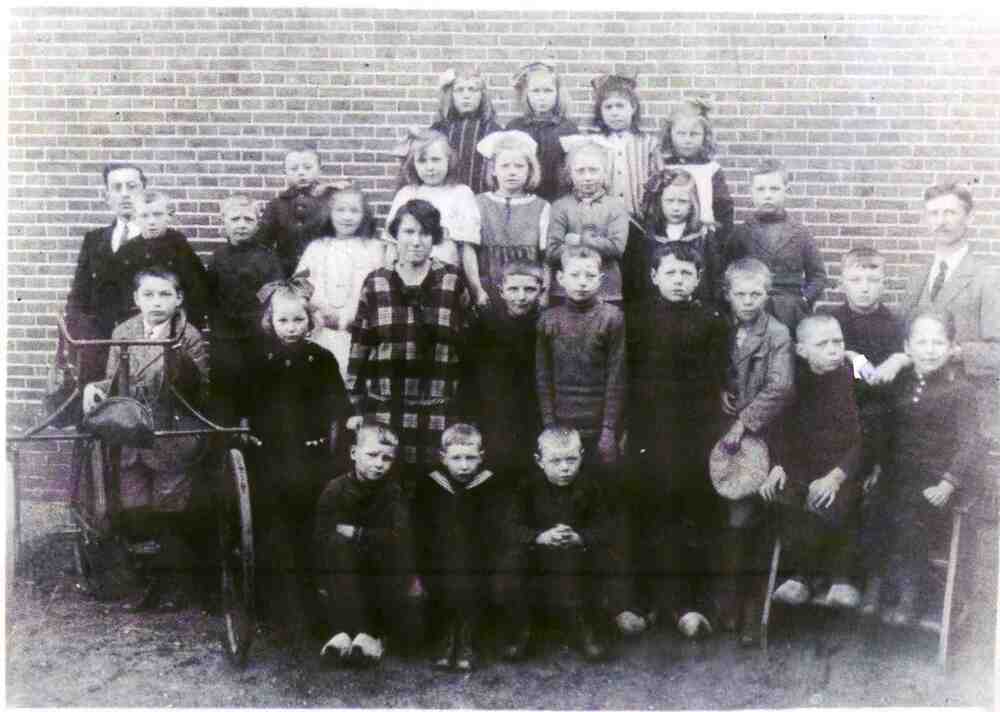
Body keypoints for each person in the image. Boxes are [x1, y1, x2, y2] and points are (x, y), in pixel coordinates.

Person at [82, 267, 209, 611]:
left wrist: (180, 365)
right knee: (135, 507)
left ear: (178, 299)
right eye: (149, 295)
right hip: (132, 437)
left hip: (171, 436)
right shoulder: (123, 332)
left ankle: (174, 585)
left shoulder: (188, 335)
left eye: (165, 295)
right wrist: (95, 389)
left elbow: (198, 390)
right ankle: (146, 581)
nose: (157, 302)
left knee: (170, 509)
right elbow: (114, 381)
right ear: (136, 299)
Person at [625, 242, 729, 637]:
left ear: (699, 279)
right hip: (649, 430)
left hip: (694, 432)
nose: (678, 280)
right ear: (654, 276)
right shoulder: (636, 319)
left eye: (687, 273)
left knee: (691, 513)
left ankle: (688, 604)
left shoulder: (712, 321)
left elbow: (718, 377)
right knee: (648, 511)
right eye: (670, 272)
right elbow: (627, 375)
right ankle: (645, 602)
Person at [243, 275, 352, 650]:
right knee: (276, 532)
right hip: (271, 458)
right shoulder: (259, 363)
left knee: (310, 528)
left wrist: (350, 420)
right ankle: (277, 612)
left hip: (311, 458)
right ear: (270, 322)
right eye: (283, 320)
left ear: (310, 321)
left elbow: (339, 404)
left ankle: (312, 607)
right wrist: (245, 430)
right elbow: (244, 406)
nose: (291, 328)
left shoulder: (321, 360)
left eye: (298, 320)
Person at [346, 199, 472, 488]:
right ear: (395, 235)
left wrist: (465, 403)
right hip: (385, 409)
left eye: (425, 233)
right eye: (409, 232)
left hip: (437, 408)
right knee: (388, 485)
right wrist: (354, 405)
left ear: (435, 237)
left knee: (434, 487)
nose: (416, 241)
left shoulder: (452, 280)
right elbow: (360, 347)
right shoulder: (376, 282)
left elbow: (467, 346)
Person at [875, 310, 986, 626]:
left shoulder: (961, 390)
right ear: (907, 347)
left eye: (938, 343)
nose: (930, 350)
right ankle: (877, 585)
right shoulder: (901, 383)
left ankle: (912, 594)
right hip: (902, 473)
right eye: (921, 342)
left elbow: (971, 444)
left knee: (911, 513)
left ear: (952, 347)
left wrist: (948, 483)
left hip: (939, 480)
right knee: (873, 505)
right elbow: (884, 428)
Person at [873, 182, 1000, 445]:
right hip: (916, 414)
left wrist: (953, 351)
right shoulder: (917, 277)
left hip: (966, 419)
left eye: (950, 213)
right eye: (934, 213)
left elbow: (996, 353)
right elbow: (905, 339)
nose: (941, 222)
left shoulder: (988, 277)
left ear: (969, 217)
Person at [759, 314, 863, 610]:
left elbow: (867, 438)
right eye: (823, 344)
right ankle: (802, 576)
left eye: (838, 342)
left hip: (845, 468)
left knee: (833, 498)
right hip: (804, 466)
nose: (833, 350)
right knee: (783, 494)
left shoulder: (855, 381)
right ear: (802, 350)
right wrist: (778, 465)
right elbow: (782, 430)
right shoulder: (795, 383)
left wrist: (836, 476)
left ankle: (841, 577)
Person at [717, 258, 795, 645]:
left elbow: (780, 387)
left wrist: (743, 422)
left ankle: (752, 609)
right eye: (740, 294)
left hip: (764, 436)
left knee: (752, 518)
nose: (748, 301)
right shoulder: (722, 328)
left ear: (767, 294)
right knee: (730, 517)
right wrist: (719, 390)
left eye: (756, 294)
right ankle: (727, 601)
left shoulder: (777, 334)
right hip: (724, 438)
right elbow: (715, 369)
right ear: (728, 295)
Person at [512, 426, 630, 661]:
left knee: (597, 560)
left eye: (571, 460)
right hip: (538, 555)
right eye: (555, 461)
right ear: (539, 461)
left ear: (581, 456)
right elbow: (511, 525)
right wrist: (539, 536)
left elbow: (607, 527)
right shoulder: (527, 487)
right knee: (513, 562)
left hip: (578, 555)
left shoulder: (592, 487)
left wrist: (580, 537)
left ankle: (583, 627)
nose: (565, 468)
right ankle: (522, 628)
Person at [829, 247, 905, 613]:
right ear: (842, 282)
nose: (864, 287)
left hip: (879, 419)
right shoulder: (833, 320)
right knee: (841, 484)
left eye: (873, 280)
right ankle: (827, 575)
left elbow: (910, 357)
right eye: (856, 279)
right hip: (839, 416)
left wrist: (898, 359)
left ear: (883, 283)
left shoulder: (894, 323)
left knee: (870, 491)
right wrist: (850, 355)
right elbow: (813, 348)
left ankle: (858, 578)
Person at [413, 423, 524, 671]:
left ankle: (466, 637)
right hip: (440, 561)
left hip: (480, 560)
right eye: (456, 458)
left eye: (470, 458)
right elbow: (420, 529)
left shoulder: (492, 485)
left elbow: (502, 530)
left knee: (467, 565)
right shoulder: (430, 485)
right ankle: (447, 635)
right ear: (443, 457)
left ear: (481, 457)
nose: (464, 466)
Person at [313, 424, 420, 666]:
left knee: (385, 556)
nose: (379, 464)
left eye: (386, 458)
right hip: (343, 567)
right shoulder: (335, 489)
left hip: (380, 568)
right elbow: (322, 536)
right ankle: (343, 631)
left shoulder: (393, 493)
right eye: (372, 455)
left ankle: (371, 633)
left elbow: (400, 537)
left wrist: (359, 533)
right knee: (337, 546)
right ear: (354, 453)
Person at [536, 246, 626, 483]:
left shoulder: (612, 317)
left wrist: (608, 430)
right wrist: (550, 426)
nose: (582, 282)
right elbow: (543, 377)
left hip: (599, 426)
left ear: (601, 279)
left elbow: (616, 377)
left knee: (599, 486)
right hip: (560, 424)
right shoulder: (549, 319)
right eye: (575, 275)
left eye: (590, 275)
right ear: (560, 278)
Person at [65, 162, 147, 387]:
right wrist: (82, 335)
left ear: (144, 192)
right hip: (98, 346)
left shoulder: (161, 240)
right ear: (107, 196)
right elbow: (77, 297)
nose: (125, 194)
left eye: (132, 186)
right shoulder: (93, 240)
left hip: (145, 347)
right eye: (117, 188)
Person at [205, 194, 284, 425]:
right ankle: (227, 438)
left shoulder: (268, 257)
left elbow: (276, 295)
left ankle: (256, 437)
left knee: (258, 391)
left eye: (248, 219)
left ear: (257, 224)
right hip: (225, 338)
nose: (241, 224)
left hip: (258, 337)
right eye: (235, 219)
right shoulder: (218, 257)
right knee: (226, 393)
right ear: (224, 223)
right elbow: (209, 295)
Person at [724, 159, 827, 334]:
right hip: (752, 310)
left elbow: (818, 276)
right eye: (761, 189)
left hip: (791, 311)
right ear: (751, 192)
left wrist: (803, 300)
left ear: (786, 191)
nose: (767, 195)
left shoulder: (801, 233)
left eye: (774, 189)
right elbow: (724, 275)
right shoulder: (740, 234)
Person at [465, 260, 545, 484]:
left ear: (541, 290)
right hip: (494, 412)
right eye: (513, 289)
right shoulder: (485, 323)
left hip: (533, 413)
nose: (521, 296)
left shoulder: (545, 324)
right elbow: (470, 372)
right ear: (501, 291)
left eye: (529, 289)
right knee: (495, 471)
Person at [387, 129, 488, 306]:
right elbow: (391, 245)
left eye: (436, 160)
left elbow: (467, 248)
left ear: (449, 160)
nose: (430, 167)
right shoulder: (406, 194)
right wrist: (388, 279)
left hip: (445, 280)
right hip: (406, 279)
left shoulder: (461, 194)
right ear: (413, 164)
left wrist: (476, 288)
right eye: (422, 161)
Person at [295, 186, 387, 377]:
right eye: (340, 210)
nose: (347, 217)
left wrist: (359, 318)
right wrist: (314, 311)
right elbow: (298, 286)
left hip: (361, 334)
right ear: (329, 213)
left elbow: (383, 289)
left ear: (364, 215)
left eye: (354, 211)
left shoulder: (375, 248)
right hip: (322, 332)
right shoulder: (317, 247)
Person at [108, 190, 209, 331]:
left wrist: (187, 325)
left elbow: (197, 291)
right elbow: (116, 295)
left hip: (175, 324)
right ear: (135, 218)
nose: (151, 222)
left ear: (168, 216)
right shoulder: (127, 252)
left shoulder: (179, 247)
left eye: (157, 215)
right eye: (144, 216)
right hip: (138, 325)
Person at [546, 135, 629, 305]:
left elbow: (616, 248)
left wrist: (579, 240)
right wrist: (599, 244)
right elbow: (553, 250)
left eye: (593, 170)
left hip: (607, 290)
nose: (587, 177)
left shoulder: (616, 207)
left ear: (605, 173)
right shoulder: (560, 206)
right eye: (580, 171)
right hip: (565, 291)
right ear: (569, 174)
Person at [474, 130, 551, 307]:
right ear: (493, 170)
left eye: (519, 166)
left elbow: (547, 257)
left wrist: (545, 292)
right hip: (488, 284)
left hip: (527, 288)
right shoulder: (479, 203)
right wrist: (477, 289)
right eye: (505, 166)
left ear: (530, 170)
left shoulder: (541, 206)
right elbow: (469, 251)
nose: (512, 172)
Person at [623, 167, 722, 306]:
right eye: (669, 201)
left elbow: (713, 276)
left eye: (682, 201)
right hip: (653, 306)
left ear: (692, 203)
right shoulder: (646, 234)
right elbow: (637, 277)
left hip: (694, 305)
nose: (675, 208)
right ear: (660, 201)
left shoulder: (703, 235)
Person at [590, 72, 657, 258]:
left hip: (639, 221)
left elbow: (658, 181)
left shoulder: (647, 143)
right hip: (605, 223)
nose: (614, 112)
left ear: (633, 108)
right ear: (600, 112)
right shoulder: (594, 143)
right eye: (608, 107)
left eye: (620, 106)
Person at [656, 97, 734, 244]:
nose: (687, 140)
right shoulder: (662, 168)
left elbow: (724, 209)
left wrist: (719, 239)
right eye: (681, 133)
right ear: (670, 134)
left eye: (694, 134)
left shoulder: (711, 169)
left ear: (705, 136)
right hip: (665, 239)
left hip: (704, 241)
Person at [257, 146, 344, 275]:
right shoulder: (277, 205)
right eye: (294, 169)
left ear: (320, 170)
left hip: (326, 272)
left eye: (307, 168)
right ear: (285, 172)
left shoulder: (333, 199)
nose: (301, 173)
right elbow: (263, 243)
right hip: (288, 275)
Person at [505, 61, 579, 202]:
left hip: (557, 197)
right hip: (523, 197)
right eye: (535, 91)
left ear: (557, 94)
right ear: (526, 94)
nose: (541, 97)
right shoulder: (515, 127)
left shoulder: (568, 128)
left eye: (548, 91)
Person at [429, 66, 502, 196]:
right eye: (459, 90)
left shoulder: (493, 130)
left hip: (482, 198)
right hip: (446, 197)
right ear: (451, 95)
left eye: (472, 89)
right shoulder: (439, 129)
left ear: (482, 96)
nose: (466, 95)